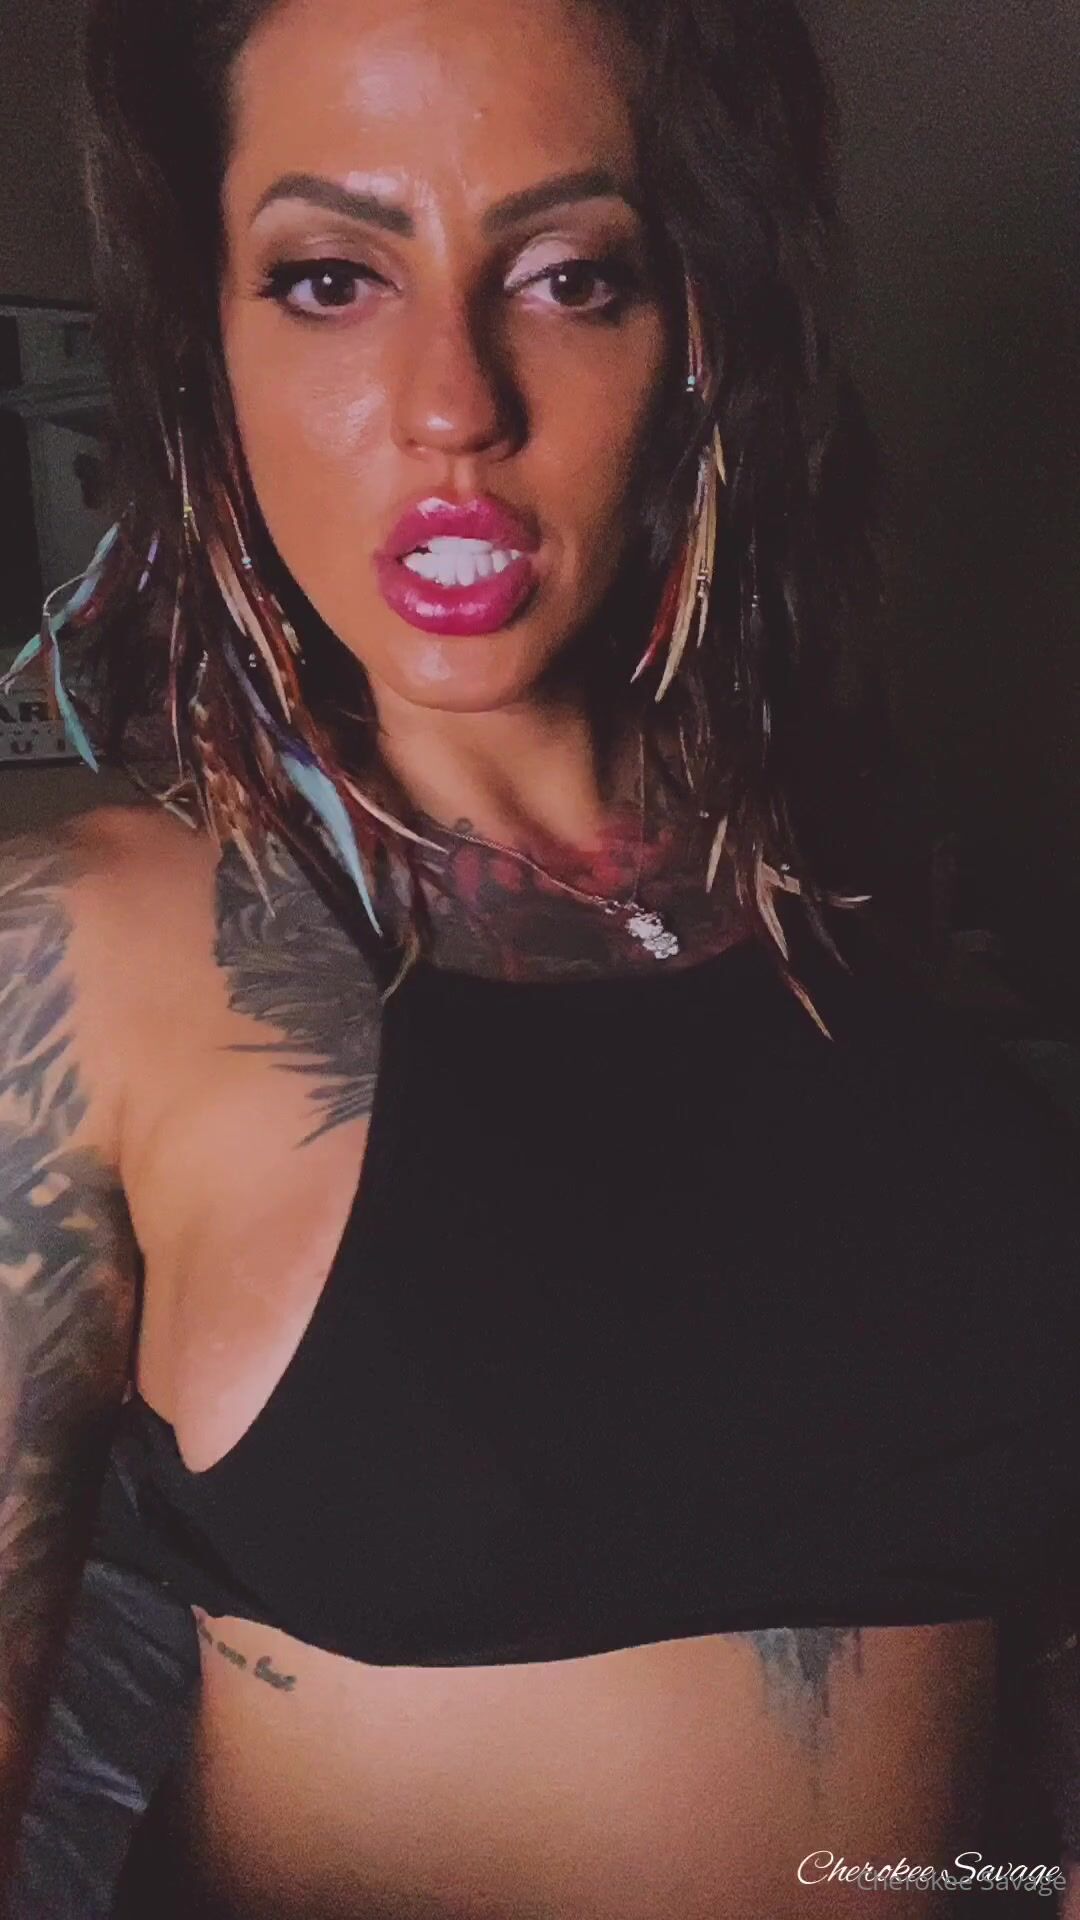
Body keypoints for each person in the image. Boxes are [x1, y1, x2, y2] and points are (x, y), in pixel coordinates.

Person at [2, 0, 1080, 1915]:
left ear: (699, 332)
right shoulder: (93, 949)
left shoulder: (851, 893)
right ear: (210, 347)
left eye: (572, 276)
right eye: (331, 279)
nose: (453, 403)